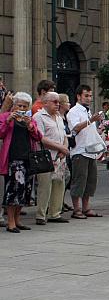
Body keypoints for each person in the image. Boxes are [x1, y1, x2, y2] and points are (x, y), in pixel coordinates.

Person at [0, 93, 43, 232]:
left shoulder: (29, 119)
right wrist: (8, 122)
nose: (22, 108)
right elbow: (1, 133)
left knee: (25, 191)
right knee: (13, 190)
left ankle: (18, 220)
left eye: (25, 106)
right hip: (13, 158)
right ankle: (10, 222)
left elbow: (38, 137)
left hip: (27, 158)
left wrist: (30, 126)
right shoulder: (6, 117)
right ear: (14, 105)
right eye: (19, 105)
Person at [33, 92, 69, 225]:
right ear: (46, 102)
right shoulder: (39, 116)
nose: (57, 104)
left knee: (59, 183)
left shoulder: (58, 116)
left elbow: (64, 135)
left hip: (60, 156)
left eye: (58, 102)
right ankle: (41, 215)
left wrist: (64, 148)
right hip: (46, 156)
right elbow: (41, 138)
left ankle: (55, 213)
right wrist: (60, 147)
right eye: (54, 101)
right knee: (45, 186)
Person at [68, 85, 103, 219]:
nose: (89, 98)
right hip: (80, 150)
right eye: (86, 96)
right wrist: (90, 121)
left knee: (90, 180)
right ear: (78, 96)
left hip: (90, 150)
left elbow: (89, 130)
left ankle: (86, 207)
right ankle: (76, 209)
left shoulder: (87, 111)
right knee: (79, 180)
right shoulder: (74, 111)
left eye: (90, 96)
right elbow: (75, 128)